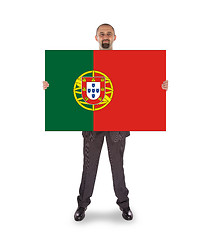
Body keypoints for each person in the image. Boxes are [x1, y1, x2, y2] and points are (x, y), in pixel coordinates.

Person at [43, 23, 168, 221]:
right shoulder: (84, 63)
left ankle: (124, 204)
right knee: (89, 165)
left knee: (117, 165)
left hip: (117, 123)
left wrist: (158, 86)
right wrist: (52, 86)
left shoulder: (125, 62)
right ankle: (82, 205)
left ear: (115, 37)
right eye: (102, 34)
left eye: (108, 34)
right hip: (92, 123)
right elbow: (68, 84)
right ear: (96, 38)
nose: (105, 37)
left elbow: (139, 85)